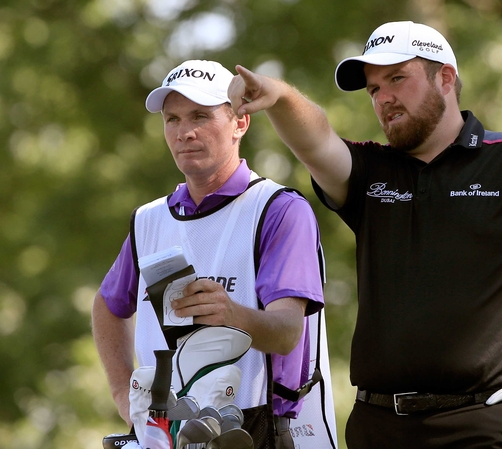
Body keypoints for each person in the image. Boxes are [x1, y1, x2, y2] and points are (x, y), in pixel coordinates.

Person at [227, 21, 502, 448]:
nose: (384, 98)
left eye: (397, 78)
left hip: (484, 425)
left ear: (445, 78)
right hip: (375, 426)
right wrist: (281, 96)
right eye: (374, 89)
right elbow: (316, 141)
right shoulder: (370, 172)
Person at [92, 59, 332, 449]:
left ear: (240, 123)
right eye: (172, 120)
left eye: (200, 116)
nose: (185, 132)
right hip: (162, 428)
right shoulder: (148, 219)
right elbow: (107, 306)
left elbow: (289, 332)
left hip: (257, 428)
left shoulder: (279, 209)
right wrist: (123, 396)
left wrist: (232, 316)